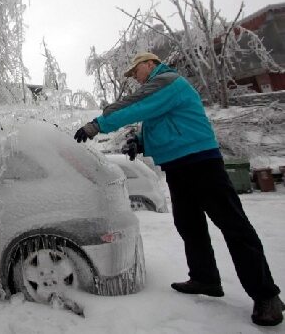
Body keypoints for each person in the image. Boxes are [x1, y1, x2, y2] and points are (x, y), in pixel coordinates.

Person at [74, 52, 283, 326]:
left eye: (134, 71)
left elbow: (136, 106)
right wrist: (140, 142)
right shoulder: (162, 91)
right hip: (177, 166)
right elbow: (161, 124)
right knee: (189, 224)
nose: (134, 78)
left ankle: (266, 296)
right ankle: (205, 278)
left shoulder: (168, 81)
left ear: (149, 64)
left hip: (201, 162)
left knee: (234, 226)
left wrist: (97, 125)